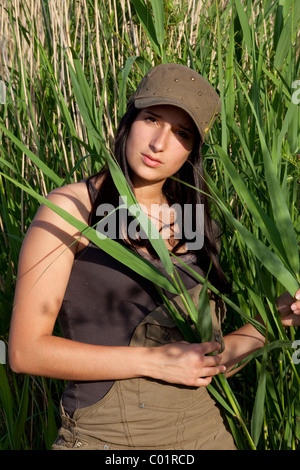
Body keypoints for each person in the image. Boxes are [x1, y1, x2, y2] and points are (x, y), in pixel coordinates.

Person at [9, 63, 300, 450]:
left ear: (193, 150)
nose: (159, 143)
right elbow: (26, 351)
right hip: (109, 439)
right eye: (151, 119)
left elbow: (208, 359)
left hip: (206, 435)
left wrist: (276, 320)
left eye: (181, 133)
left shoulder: (196, 223)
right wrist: (156, 362)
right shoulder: (71, 207)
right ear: (129, 120)